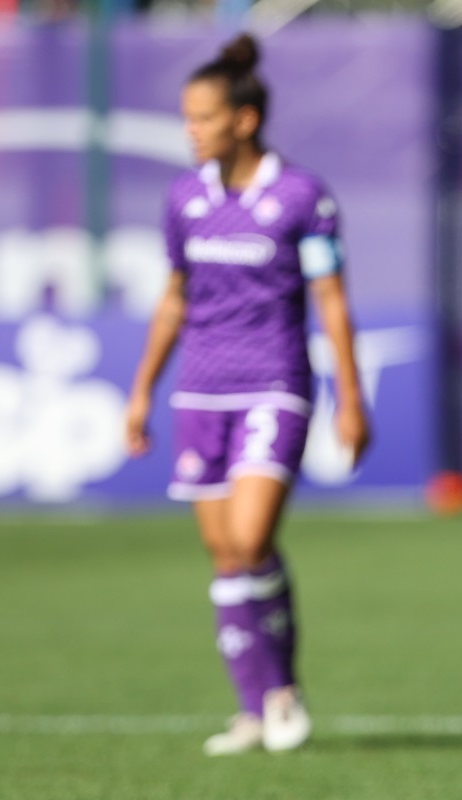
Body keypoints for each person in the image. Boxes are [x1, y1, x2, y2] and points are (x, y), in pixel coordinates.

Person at [125, 34, 370, 756]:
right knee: (225, 555)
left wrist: (350, 398)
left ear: (243, 120)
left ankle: (283, 689)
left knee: (251, 536)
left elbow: (330, 300)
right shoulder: (185, 198)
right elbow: (174, 299)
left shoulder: (301, 195)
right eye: (186, 118)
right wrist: (141, 392)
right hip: (200, 393)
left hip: (275, 385)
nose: (190, 131)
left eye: (201, 118)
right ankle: (251, 710)